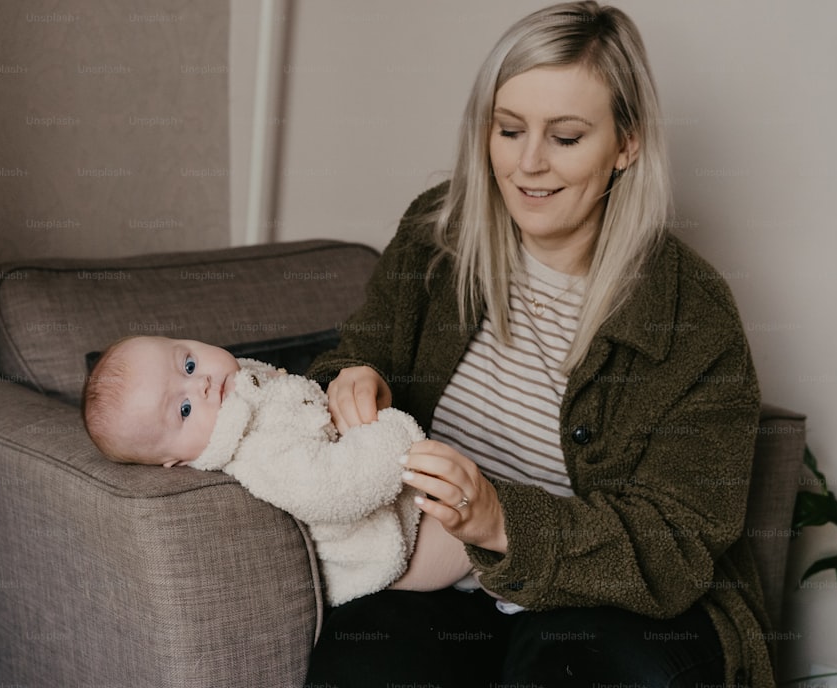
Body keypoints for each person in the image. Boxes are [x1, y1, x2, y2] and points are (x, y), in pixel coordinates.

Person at [304, 2, 774, 687]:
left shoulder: (692, 315)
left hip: (616, 607)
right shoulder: (437, 236)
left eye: (567, 137)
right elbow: (352, 354)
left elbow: (679, 543)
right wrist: (355, 377)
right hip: (445, 582)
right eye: (510, 129)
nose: (528, 165)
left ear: (627, 143)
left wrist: (500, 522)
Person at [81, 335, 474, 605]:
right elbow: (334, 487)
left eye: (188, 364)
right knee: (472, 540)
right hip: (383, 542)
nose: (201, 383)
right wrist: (391, 433)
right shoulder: (255, 449)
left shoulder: (241, 383)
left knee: (473, 505)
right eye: (183, 410)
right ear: (178, 460)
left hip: (397, 501)